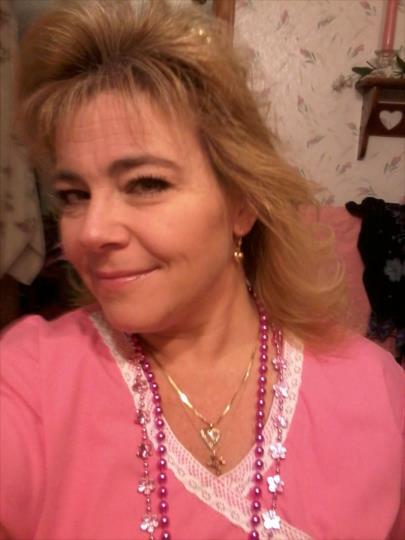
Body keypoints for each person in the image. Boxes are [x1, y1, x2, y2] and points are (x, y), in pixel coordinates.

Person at [0, 1, 403, 539]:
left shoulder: (375, 393)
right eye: (74, 195)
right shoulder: (30, 378)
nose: (91, 231)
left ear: (241, 203)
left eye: (145, 183)